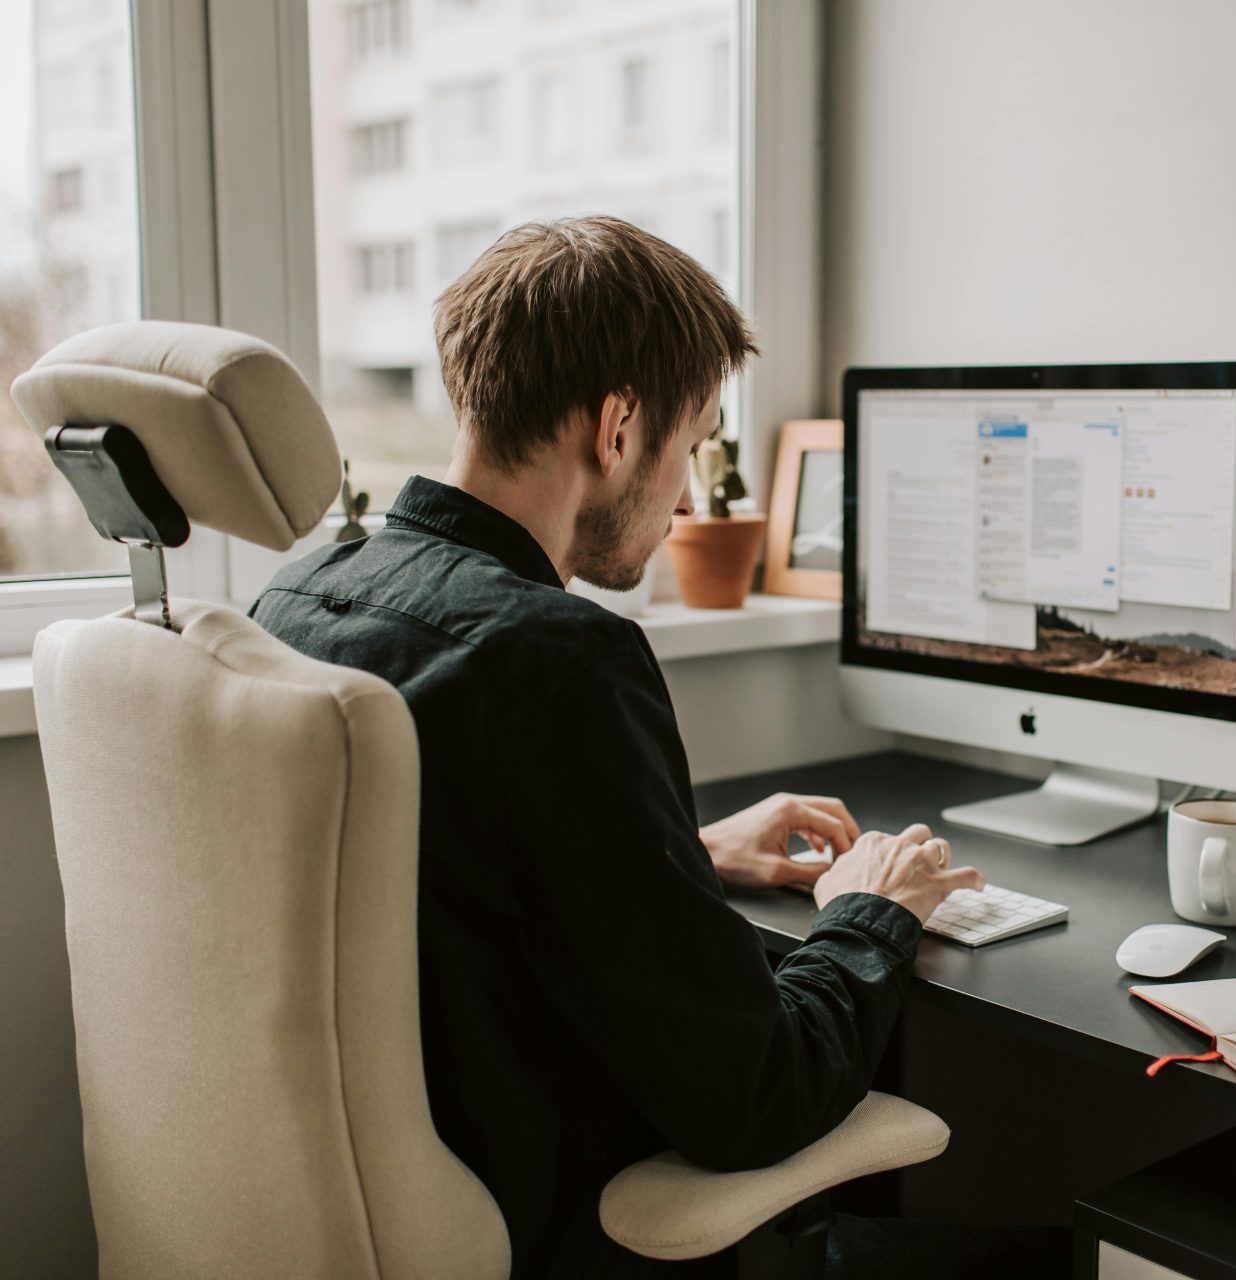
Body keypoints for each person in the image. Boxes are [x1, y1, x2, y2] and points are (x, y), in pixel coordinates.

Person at [252, 217, 1010, 1278]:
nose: (693, 494)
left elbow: (430, 889)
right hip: (548, 1216)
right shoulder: (560, 660)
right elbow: (755, 1095)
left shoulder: (299, 594)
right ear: (617, 427)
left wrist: (681, 854)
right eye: (693, 440)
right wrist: (869, 909)